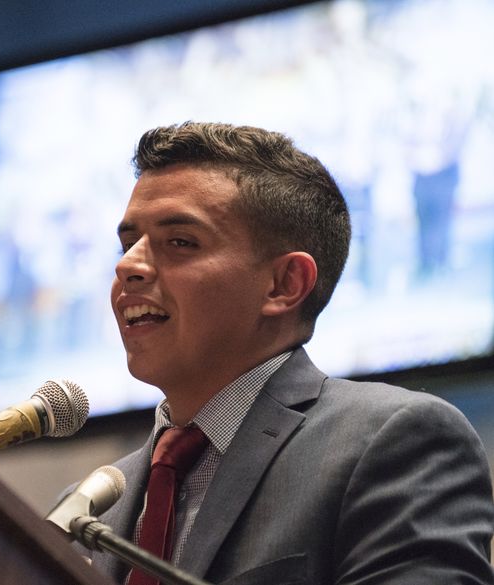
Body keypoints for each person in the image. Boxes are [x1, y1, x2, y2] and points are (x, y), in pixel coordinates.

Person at [87, 122, 494, 584]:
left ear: (284, 284)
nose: (128, 266)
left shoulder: (393, 441)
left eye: (180, 242)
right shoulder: (96, 504)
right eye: (127, 244)